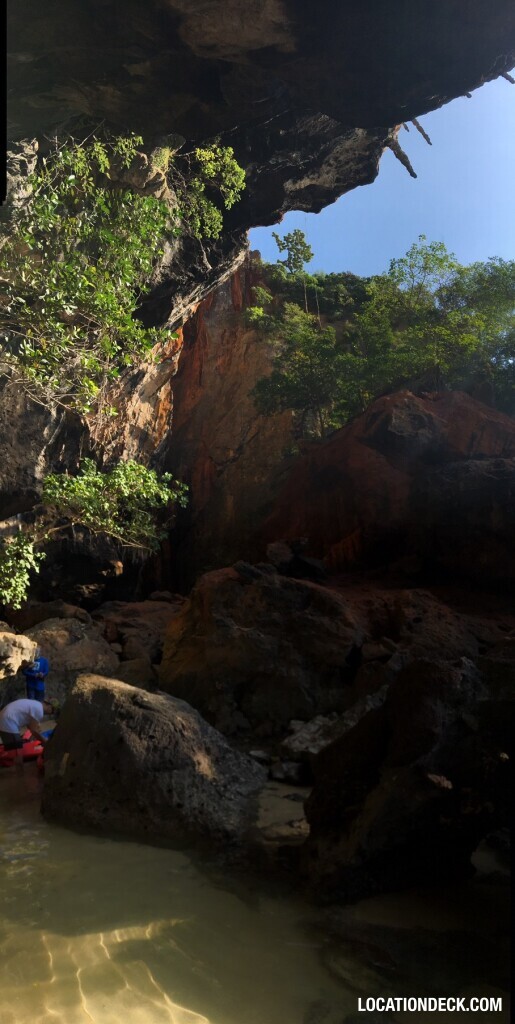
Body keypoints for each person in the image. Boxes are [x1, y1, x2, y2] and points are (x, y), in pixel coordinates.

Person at [0, 697, 60, 767]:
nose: (51, 714)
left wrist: (35, 738)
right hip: (8, 722)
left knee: (13, 751)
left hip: (5, 718)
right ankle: (20, 774)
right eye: (53, 711)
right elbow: (33, 730)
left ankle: (15, 771)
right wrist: (44, 742)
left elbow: (30, 727)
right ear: (49, 706)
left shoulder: (36, 705)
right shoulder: (39, 710)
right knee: (18, 753)